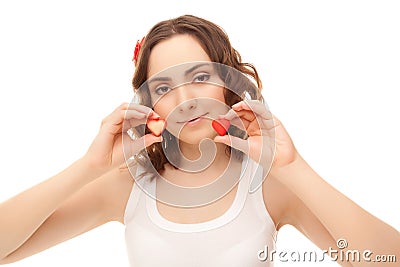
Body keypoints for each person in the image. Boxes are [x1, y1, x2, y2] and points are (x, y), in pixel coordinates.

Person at [0, 14, 398, 267]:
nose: (186, 101)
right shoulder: (129, 185)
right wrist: (88, 167)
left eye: (201, 77)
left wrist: (294, 169)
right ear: (148, 103)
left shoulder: (268, 184)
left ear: (229, 82)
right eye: (163, 86)